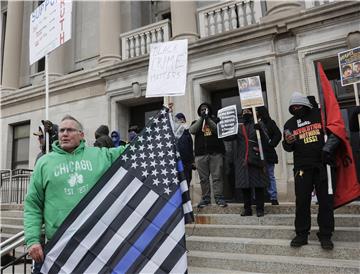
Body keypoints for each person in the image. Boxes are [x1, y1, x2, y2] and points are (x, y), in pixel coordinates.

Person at [24, 115, 127, 273]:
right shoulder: (44, 163)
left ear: (81, 135)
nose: (64, 133)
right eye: (62, 130)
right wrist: (32, 240)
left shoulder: (100, 155)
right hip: (59, 245)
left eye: (70, 130)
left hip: (95, 245)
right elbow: (33, 204)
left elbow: (133, 151)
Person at [282, 92, 340, 250]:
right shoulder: (289, 124)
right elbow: (287, 147)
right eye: (293, 107)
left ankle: (325, 234)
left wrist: (328, 149)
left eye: (298, 106)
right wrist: (287, 142)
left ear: (306, 105)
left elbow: (336, 134)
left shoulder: (320, 116)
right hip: (302, 168)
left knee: (326, 202)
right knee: (302, 202)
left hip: (323, 166)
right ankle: (301, 234)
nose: (296, 109)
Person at [224, 108, 268, 217]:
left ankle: (260, 209)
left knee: (258, 186)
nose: (246, 113)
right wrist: (222, 125)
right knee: (245, 186)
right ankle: (247, 209)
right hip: (242, 160)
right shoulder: (238, 128)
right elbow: (227, 137)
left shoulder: (258, 124)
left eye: (248, 111)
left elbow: (267, 140)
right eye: (243, 112)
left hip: (256, 159)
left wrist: (261, 130)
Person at [189, 102, 227, 208]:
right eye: (201, 109)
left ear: (209, 110)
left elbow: (217, 130)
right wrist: (202, 119)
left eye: (205, 109)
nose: (203, 111)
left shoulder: (216, 121)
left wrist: (208, 119)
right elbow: (192, 130)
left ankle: (219, 198)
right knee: (203, 179)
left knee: (217, 177)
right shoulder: (195, 122)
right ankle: (205, 198)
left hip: (215, 154)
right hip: (201, 155)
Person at [256, 106, 282, 205]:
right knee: (258, 176)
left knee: (270, 175)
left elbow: (278, 135)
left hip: (268, 153)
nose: (256, 112)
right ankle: (258, 198)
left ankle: (273, 197)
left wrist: (271, 144)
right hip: (257, 153)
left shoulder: (270, 123)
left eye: (257, 111)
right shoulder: (255, 123)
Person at [174, 112, 195, 188]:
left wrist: (192, 161)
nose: (181, 121)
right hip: (178, 163)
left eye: (182, 120)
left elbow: (190, 147)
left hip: (187, 163)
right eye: (178, 120)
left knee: (187, 182)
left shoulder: (187, 133)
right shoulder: (173, 134)